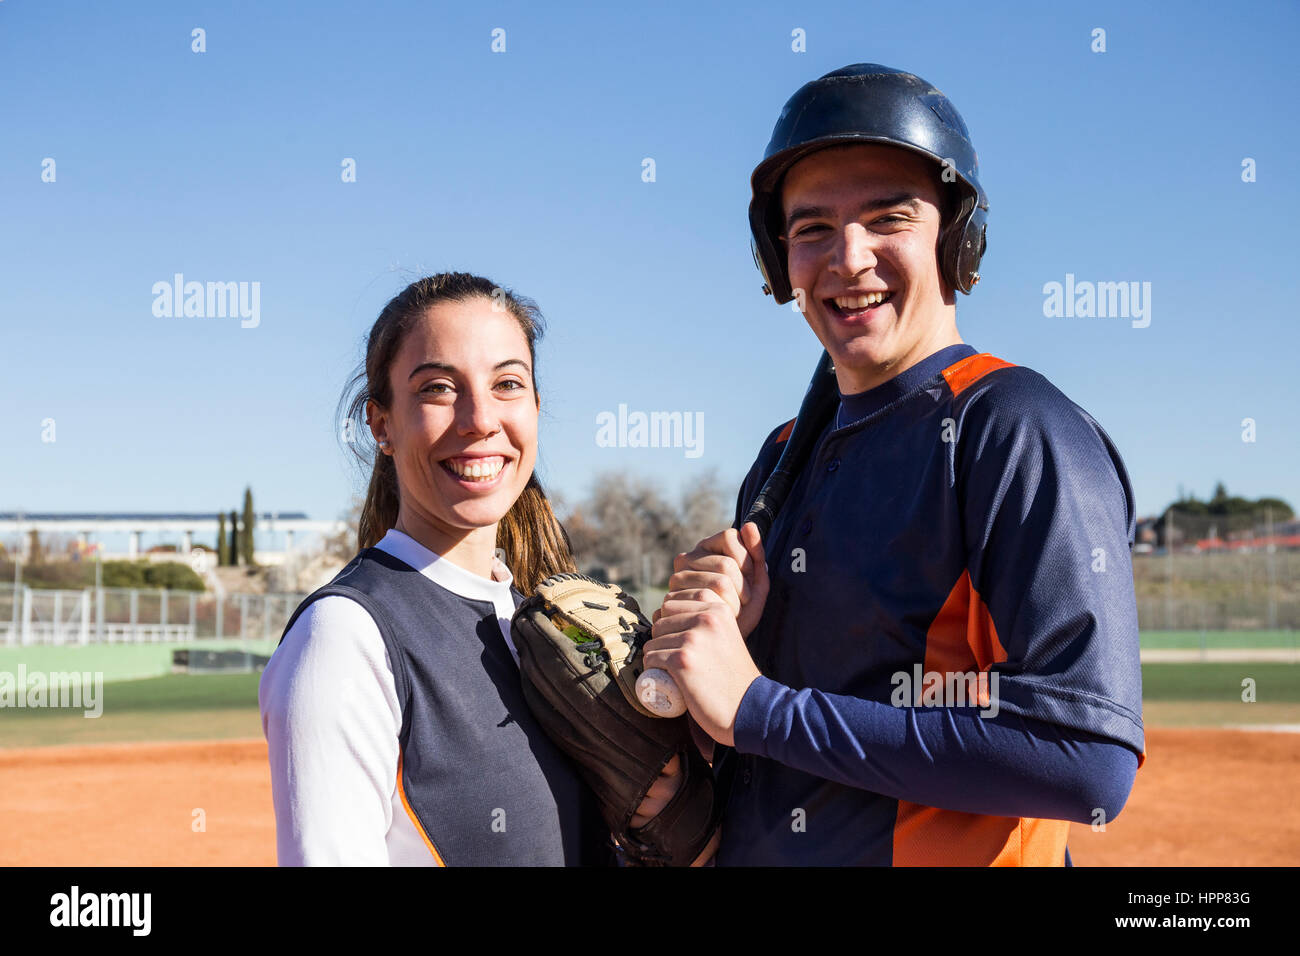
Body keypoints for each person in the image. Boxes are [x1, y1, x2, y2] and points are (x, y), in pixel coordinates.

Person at [644, 64, 1145, 866]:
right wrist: (705, 695)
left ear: (957, 236)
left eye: (889, 218)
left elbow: (1086, 759)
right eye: (811, 229)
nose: (848, 257)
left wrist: (758, 708)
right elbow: (784, 747)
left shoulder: (1013, 428)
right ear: (780, 263)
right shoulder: (783, 454)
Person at [259, 273, 679, 865]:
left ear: (535, 408)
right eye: (437, 388)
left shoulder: (543, 622)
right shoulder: (345, 637)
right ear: (382, 424)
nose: (479, 418)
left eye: (507, 383)